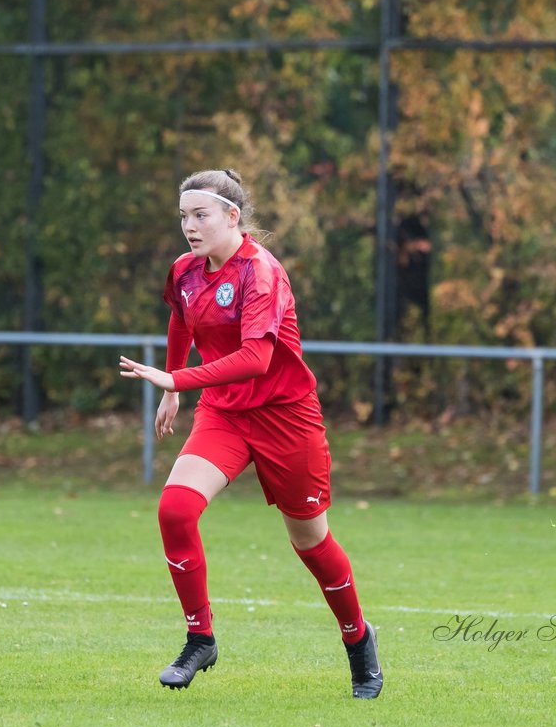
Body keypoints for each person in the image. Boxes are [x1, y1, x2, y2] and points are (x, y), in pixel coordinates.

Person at [119, 168, 382, 699]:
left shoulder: (261, 272)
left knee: (310, 542)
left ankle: (358, 640)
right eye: (184, 217)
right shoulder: (186, 271)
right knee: (175, 508)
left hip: (286, 417)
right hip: (225, 413)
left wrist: (177, 377)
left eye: (201, 215)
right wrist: (173, 389)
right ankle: (200, 637)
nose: (190, 227)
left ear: (232, 216)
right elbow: (180, 320)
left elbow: (257, 359)